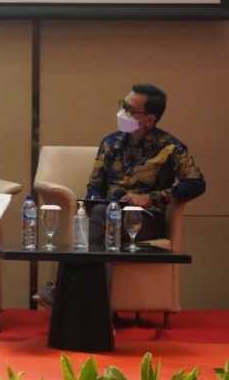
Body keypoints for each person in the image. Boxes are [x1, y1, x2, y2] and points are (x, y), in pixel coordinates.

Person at [35, 83, 206, 309]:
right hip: (106, 212)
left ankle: (63, 292)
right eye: (122, 105)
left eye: (130, 109)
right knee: (95, 219)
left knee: (100, 223)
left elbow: (196, 184)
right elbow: (95, 185)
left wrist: (152, 197)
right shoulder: (110, 142)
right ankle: (94, 309)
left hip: (143, 218)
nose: (122, 112)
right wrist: (92, 201)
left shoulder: (170, 148)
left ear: (149, 119)